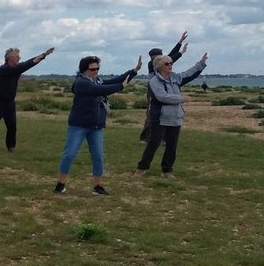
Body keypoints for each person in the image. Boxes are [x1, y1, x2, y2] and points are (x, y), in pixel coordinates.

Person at [54, 54, 142, 196]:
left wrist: (134, 71)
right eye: (93, 69)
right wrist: (121, 86)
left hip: (96, 126)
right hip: (79, 125)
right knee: (69, 154)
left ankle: (97, 186)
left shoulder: (97, 81)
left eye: (97, 69)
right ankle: (60, 184)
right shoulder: (81, 83)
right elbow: (101, 90)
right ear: (84, 70)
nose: (96, 71)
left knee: (98, 156)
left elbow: (115, 80)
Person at [133, 52, 208, 179]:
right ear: (160, 66)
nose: (170, 65)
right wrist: (181, 98)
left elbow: (189, 73)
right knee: (153, 143)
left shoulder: (175, 78)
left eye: (171, 63)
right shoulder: (154, 81)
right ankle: (142, 168)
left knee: (172, 145)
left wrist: (201, 63)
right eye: (167, 64)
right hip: (159, 117)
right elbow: (162, 97)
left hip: (175, 117)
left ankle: (167, 170)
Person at [0, 46, 54, 151]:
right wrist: (42, 56)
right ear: (11, 58)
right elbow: (25, 65)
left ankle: (11, 147)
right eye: (17, 56)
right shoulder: (4, 69)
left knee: (12, 125)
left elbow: (27, 63)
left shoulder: (16, 69)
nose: (19, 58)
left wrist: (44, 55)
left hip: (9, 102)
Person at [140, 32, 187, 142]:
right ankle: (149, 137)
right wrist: (181, 52)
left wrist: (180, 42)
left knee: (157, 115)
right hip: (155, 91)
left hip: (157, 90)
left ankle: (154, 137)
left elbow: (170, 56)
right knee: (154, 115)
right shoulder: (152, 63)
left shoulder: (154, 62)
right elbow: (171, 58)